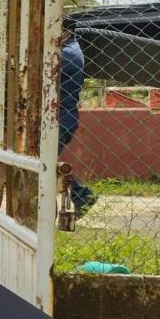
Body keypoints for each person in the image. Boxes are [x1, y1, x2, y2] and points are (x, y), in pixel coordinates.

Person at [59, 30, 96, 217]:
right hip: (62, 118)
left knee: (42, 163)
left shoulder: (66, 54)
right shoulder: (69, 49)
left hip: (60, 119)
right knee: (44, 163)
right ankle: (80, 195)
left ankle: (81, 195)